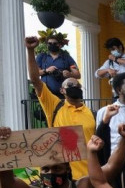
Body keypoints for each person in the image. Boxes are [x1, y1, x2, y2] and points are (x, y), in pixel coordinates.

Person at [25, 36, 94, 180]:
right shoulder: (55, 106)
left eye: (76, 85)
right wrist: (30, 51)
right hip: (63, 177)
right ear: (62, 91)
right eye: (69, 85)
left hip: (88, 178)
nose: (74, 87)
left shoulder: (92, 113)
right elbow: (35, 80)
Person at [35, 32, 80, 98]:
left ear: (59, 45)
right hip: (46, 94)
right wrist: (46, 70)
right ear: (47, 45)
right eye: (49, 43)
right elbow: (35, 73)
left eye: (55, 43)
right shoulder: (41, 57)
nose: (52, 45)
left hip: (63, 94)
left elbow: (78, 75)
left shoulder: (67, 58)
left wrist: (69, 74)